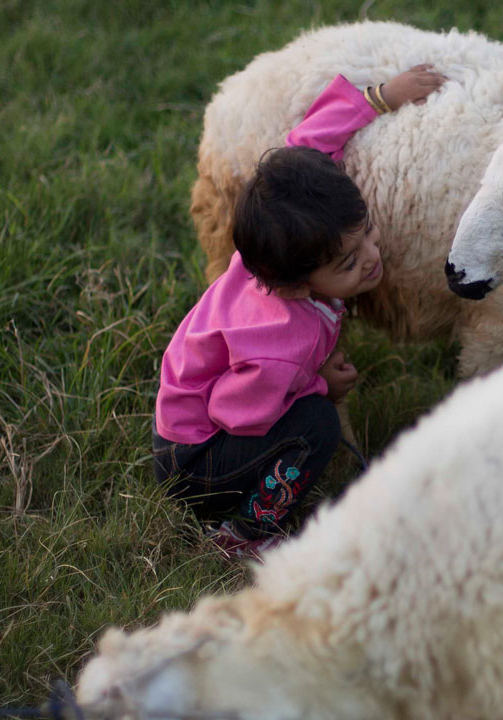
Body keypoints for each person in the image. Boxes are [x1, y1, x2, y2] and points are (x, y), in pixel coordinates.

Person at [153, 65, 446, 559]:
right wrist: (316, 384)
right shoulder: (281, 343)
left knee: (311, 414)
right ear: (293, 287)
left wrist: (383, 97)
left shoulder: (283, 241)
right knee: (317, 426)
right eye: (349, 262)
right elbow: (236, 412)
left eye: (367, 233)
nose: (372, 257)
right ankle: (245, 534)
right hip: (195, 464)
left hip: (190, 426)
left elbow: (309, 143)